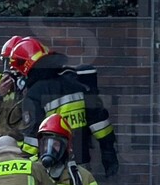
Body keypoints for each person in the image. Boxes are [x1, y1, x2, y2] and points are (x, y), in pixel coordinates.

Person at [8, 36, 119, 177]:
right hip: (81, 164)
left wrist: (22, 167)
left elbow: (33, 139)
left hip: (51, 166)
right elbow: (100, 124)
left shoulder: (34, 95)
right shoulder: (77, 85)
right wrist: (108, 152)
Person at [0, 35, 26, 138]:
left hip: (20, 140)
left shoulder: (30, 84)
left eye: (12, 64)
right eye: (6, 63)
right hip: (0, 138)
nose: (8, 69)